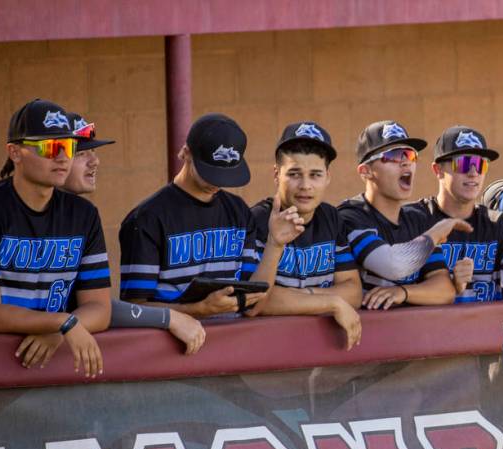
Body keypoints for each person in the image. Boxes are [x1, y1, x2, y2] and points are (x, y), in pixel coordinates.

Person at [119, 113, 303, 317]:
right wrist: (198, 310)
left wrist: (274, 244)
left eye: (226, 174)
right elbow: (133, 309)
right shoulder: (147, 218)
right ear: (185, 152)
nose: (217, 182)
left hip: (229, 343)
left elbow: (253, 305)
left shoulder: (239, 211)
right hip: (169, 345)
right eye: (211, 172)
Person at [0, 99, 110, 378]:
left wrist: (60, 329)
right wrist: (61, 323)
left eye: (70, 146)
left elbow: (100, 307)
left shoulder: (84, 214)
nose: (63, 157)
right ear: (15, 152)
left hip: (52, 364)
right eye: (51, 147)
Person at [59, 112, 206, 355]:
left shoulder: (82, 215)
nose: (95, 161)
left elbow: (98, 307)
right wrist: (169, 317)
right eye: (81, 153)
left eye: (93, 152)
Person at [245, 121, 362, 350]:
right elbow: (255, 302)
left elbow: (354, 291)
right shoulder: (256, 220)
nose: (305, 185)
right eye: (295, 174)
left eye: (315, 175)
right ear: (277, 174)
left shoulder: (331, 217)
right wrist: (332, 301)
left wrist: (297, 296)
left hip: (322, 350)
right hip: (267, 352)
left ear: (328, 176)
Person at [338, 120, 465, 310]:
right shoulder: (350, 216)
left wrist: (403, 292)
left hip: (409, 335)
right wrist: (435, 234)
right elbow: (391, 265)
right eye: (393, 156)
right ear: (366, 171)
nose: (406, 162)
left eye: (410, 155)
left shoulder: (417, 218)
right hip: (362, 335)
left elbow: (445, 290)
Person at [414, 125, 503, 303]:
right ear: (438, 170)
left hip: (488, 328)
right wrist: (451, 286)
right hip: (430, 329)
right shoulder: (415, 220)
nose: (473, 173)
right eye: (464, 163)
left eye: (480, 164)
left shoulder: (500, 224)